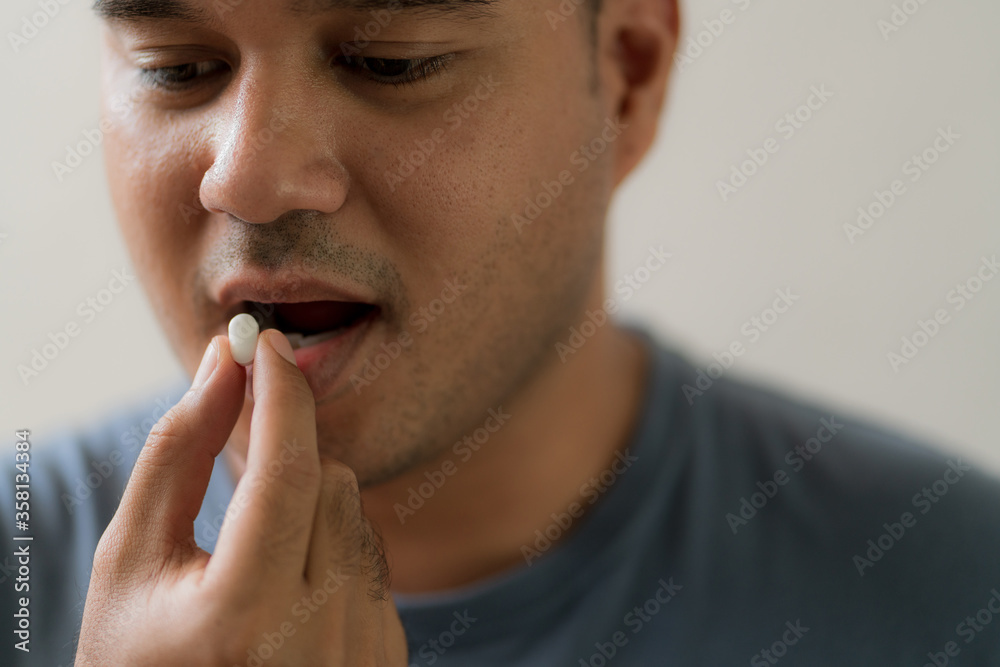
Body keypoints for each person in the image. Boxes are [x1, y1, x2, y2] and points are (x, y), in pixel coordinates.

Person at [3, 0, 1000, 665]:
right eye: (176, 69)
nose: (248, 175)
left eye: (391, 62)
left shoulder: (960, 591)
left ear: (626, 76)